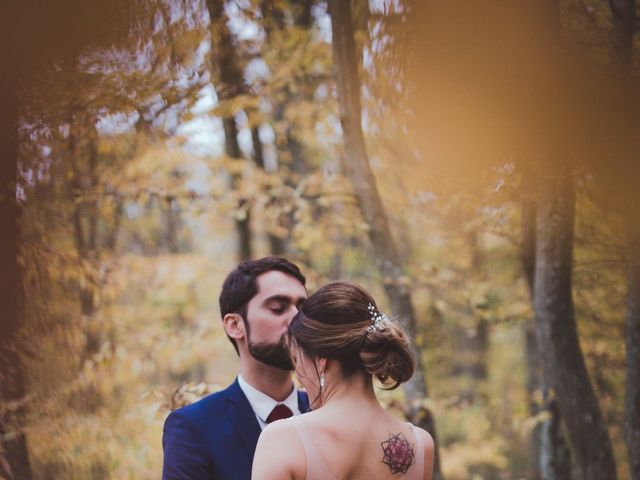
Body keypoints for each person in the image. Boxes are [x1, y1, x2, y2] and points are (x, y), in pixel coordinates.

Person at [252, 281, 435, 480]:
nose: (299, 377)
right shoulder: (420, 445)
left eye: (297, 360)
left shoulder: (283, 440)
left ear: (322, 362)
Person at [162, 256, 309, 480]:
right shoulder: (194, 427)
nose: (297, 318)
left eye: (303, 308)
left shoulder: (329, 412)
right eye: (278, 308)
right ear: (235, 325)